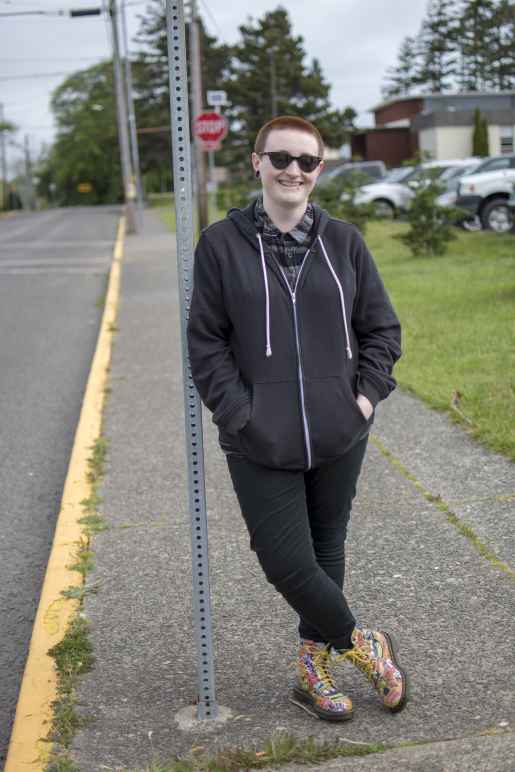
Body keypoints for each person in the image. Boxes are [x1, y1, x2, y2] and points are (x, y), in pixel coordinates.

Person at [187, 115, 407, 722]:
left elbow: (381, 331)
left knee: (327, 547)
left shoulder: (344, 242)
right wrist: (240, 415)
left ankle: (312, 672)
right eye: (279, 157)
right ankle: (363, 644)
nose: (292, 170)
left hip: (340, 431)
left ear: (319, 171)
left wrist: (362, 400)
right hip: (258, 437)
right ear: (257, 162)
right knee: (284, 558)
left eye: (305, 161)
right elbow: (205, 343)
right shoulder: (221, 245)